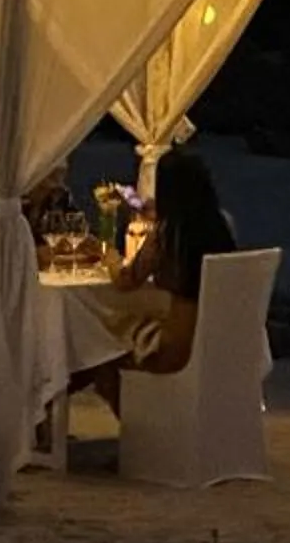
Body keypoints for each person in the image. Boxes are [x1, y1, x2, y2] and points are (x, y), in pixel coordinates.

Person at [78, 148, 235, 403]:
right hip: (219, 343)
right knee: (115, 336)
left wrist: (107, 252)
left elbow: (125, 281)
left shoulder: (167, 235)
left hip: (176, 349)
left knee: (101, 349)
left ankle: (142, 431)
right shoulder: (221, 226)